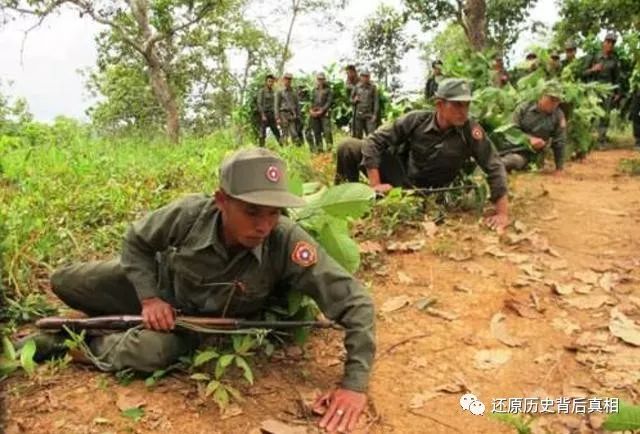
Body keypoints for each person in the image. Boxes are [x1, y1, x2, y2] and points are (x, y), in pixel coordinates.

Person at [26, 148, 375, 433]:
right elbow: (136, 241)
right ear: (222, 200)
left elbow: (355, 302)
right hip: (155, 285)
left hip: (194, 325)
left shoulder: (285, 242)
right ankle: (106, 314)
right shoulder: (190, 214)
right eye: (251, 211)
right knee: (64, 281)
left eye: (274, 213)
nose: (264, 225)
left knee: (148, 352)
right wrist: (149, 297)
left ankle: (67, 343)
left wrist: (354, 385)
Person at [336, 78, 510, 231]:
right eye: (457, 104)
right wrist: (376, 184)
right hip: (402, 179)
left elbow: (493, 164)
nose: (463, 111)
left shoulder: (470, 131)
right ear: (440, 105)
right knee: (348, 147)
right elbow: (373, 141)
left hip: (431, 193)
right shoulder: (416, 120)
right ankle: (345, 204)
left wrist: (502, 214)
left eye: (466, 105)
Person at [500, 81, 567, 174]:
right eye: (552, 99)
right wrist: (528, 139)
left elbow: (560, 142)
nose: (554, 104)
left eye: (558, 101)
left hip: (528, 155)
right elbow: (510, 130)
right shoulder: (524, 108)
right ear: (542, 96)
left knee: (513, 161)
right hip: (510, 146)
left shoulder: (558, 116)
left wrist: (559, 168)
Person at [581, 32, 621, 146]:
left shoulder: (614, 60)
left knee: (605, 115)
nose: (610, 45)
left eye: (612, 43)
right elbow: (582, 73)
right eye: (608, 42)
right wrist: (592, 69)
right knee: (590, 114)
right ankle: (585, 140)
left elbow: (616, 78)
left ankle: (601, 140)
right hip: (593, 89)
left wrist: (617, 93)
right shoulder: (593, 57)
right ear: (603, 43)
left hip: (607, 90)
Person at [309, 72, 334, 152]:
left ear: (324, 80)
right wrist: (311, 110)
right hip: (315, 113)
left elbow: (329, 102)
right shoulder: (314, 90)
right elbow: (312, 101)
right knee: (317, 132)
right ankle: (320, 149)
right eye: (319, 79)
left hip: (324, 113)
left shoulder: (329, 90)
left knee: (327, 132)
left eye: (322, 79)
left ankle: (329, 149)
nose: (320, 81)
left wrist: (322, 110)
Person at [351, 70, 379, 139]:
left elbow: (376, 102)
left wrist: (375, 115)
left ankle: (370, 149)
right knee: (358, 135)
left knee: (371, 136)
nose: (365, 78)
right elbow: (350, 99)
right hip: (358, 115)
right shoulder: (356, 87)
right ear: (360, 77)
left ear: (369, 77)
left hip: (369, 115)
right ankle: (358, 149)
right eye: (363, 76)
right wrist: (354, 100)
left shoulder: (373, 88)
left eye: (367, 76)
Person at [275, 73, 302, 146]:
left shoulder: (294, 92)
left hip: (292, 114)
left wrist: (298, 115)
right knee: (284, 132)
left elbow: (297, 105)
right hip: (283, 113)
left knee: (294, 133)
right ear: (283, 80)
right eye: (286, 79)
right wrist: (277, 118)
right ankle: (284, 149)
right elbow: (276, 105)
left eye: (289, 79)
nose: (288, 81)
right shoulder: (280, 92)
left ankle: (297, 148)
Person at [257, 74, 281, 146]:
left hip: (272, 115)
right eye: (269, 81)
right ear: (266, 82)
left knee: (277, 132)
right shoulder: (262, 91)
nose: (270, 83)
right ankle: (261, 149)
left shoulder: (274, 92)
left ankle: (284, 149)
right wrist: (262, 115)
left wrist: (277, 116)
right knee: (262, 134)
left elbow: (276, 105)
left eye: (272, 82)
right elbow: (259, 103)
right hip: (264, 114)